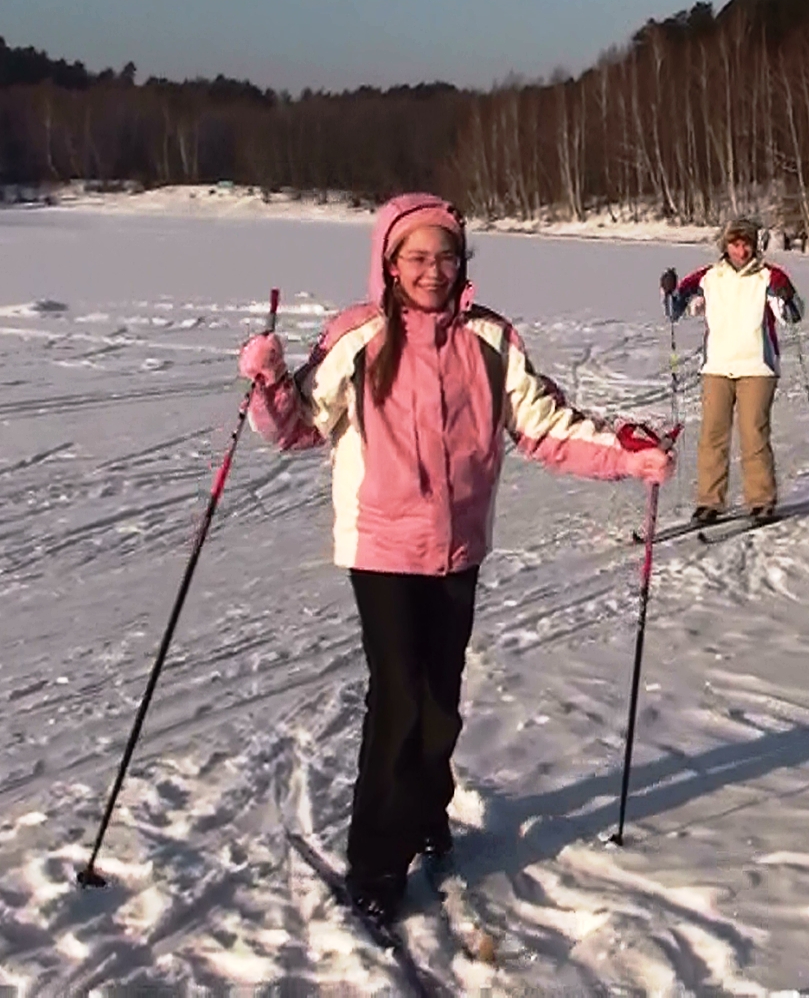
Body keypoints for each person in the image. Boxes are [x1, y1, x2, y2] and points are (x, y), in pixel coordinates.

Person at [236, 192, 673, 925]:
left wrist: (625, 454)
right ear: (389, 262)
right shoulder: (361, 332)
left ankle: (426, 808)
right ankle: (375, 865)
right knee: (399, 699)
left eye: (445, 256)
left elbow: (544, 425)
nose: (432, 270)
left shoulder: (488, 338)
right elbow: (295, 427)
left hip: (457, 546)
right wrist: (269, 380)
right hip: (380, 545)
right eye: (417, 257)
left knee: (438, 703)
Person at [659, 216, 805, 525]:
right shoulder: (708, 277)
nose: (741, 251)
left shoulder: (770, 276)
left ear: (755, 246)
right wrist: (669, 291)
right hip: (717, 367)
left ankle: (762, 500)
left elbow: (792, 317)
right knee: (712, 435)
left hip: (758, 367)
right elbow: (676, 310)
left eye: (746, 245)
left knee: (753, 434)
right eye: (735, 244)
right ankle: (710, 502)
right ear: (725, 246)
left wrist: (787, 296)